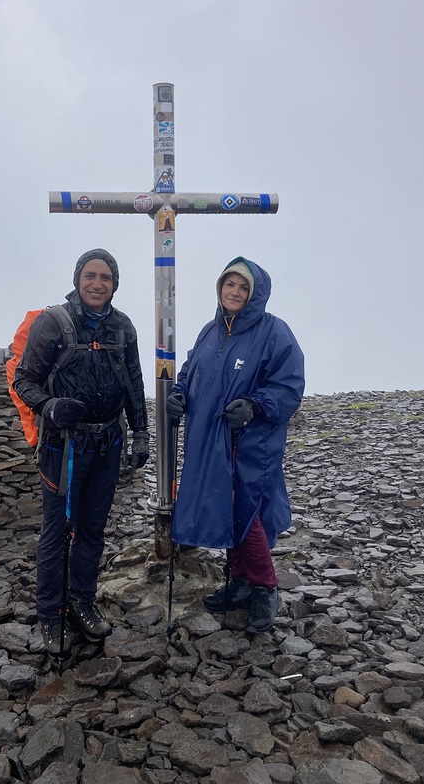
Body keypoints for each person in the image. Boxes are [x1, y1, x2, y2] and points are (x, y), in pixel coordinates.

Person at [13, 249, 149, 660]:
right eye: (90, 275)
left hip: (107, 443)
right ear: (77, 279)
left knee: (92, 529)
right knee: (57, 532)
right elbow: (24, 380)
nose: (97, 283)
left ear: (115, 284)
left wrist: (141, 432)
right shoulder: (52, 323)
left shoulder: (122, 327)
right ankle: (50, 615)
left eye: (105, 277)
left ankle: (82, 603)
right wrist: (49, 407)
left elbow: (133, 381)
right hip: (64, 446)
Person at [166, 257, 304, 633]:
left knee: (247, 510)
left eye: (244, 287)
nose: (235, 292)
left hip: (250, 439)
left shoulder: (275, 332)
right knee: (225, 504)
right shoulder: (210, 332)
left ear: (256, 294)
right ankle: (241, 582)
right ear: (220, 288)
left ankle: (264, 586)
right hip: (209, 438)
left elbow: (289, 385)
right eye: (230, 284)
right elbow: (191, 371)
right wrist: (179, 394)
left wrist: (256, 404)